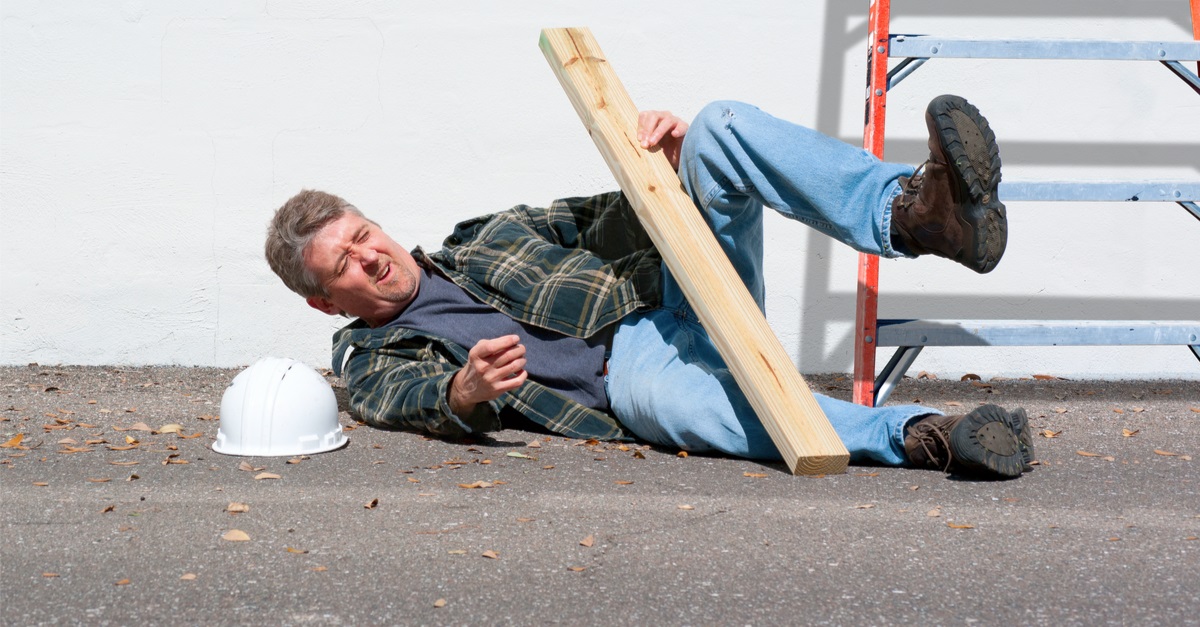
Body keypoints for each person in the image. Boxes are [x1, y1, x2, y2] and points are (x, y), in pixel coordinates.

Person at [265, 95, 1034, 479]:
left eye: (362, 235)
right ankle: (922, 434)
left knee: (717, 127)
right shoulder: (368, 350)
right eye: (344, 267)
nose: (369, 258)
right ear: (324, 300)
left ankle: (917, 215)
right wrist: (462, 395)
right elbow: (397, 398)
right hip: (628, 373)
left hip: (676, 294)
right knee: (675, 405)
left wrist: (665, 170)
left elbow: (610, 215)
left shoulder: (482, 236)